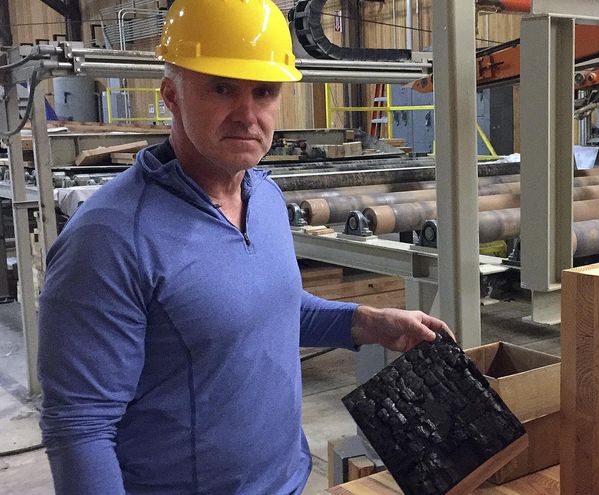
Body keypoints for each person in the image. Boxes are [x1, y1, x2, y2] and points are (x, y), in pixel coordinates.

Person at [37, 1, 451, 493]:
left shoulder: (264, 196)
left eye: (264, 91)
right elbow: (80, 426)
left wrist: (363, 322)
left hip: (288, 481)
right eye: (220, 88)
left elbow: (264, 310)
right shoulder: (110, 237)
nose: (247, 114)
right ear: (171, 95)